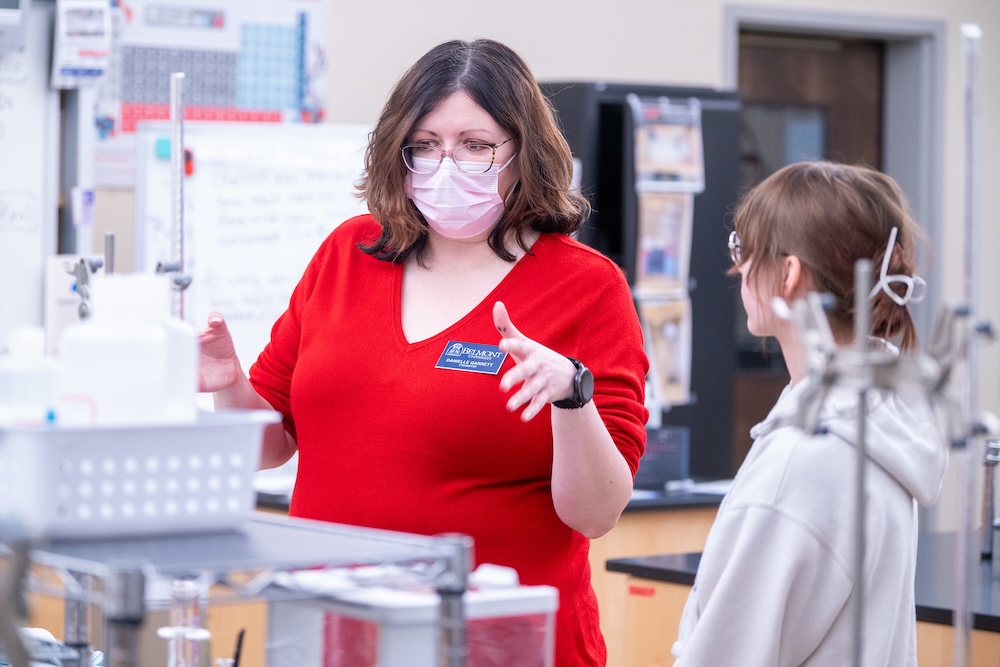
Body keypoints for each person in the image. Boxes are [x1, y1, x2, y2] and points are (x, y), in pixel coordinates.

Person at [198, 39, 649, 666]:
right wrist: (228, 383)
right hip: (334, 630)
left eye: (475, 145)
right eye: (426, 145)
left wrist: (574, 397)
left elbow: (597, 513)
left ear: (526, 151)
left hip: (498, 643)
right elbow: (270, 444)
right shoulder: (348, 255)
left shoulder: (584, 287)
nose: (446, 165)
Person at [671, 161, 948, 666]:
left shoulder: (802, 463)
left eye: (743, 250)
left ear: (791, 274)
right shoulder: (879, 422)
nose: (740, 270)